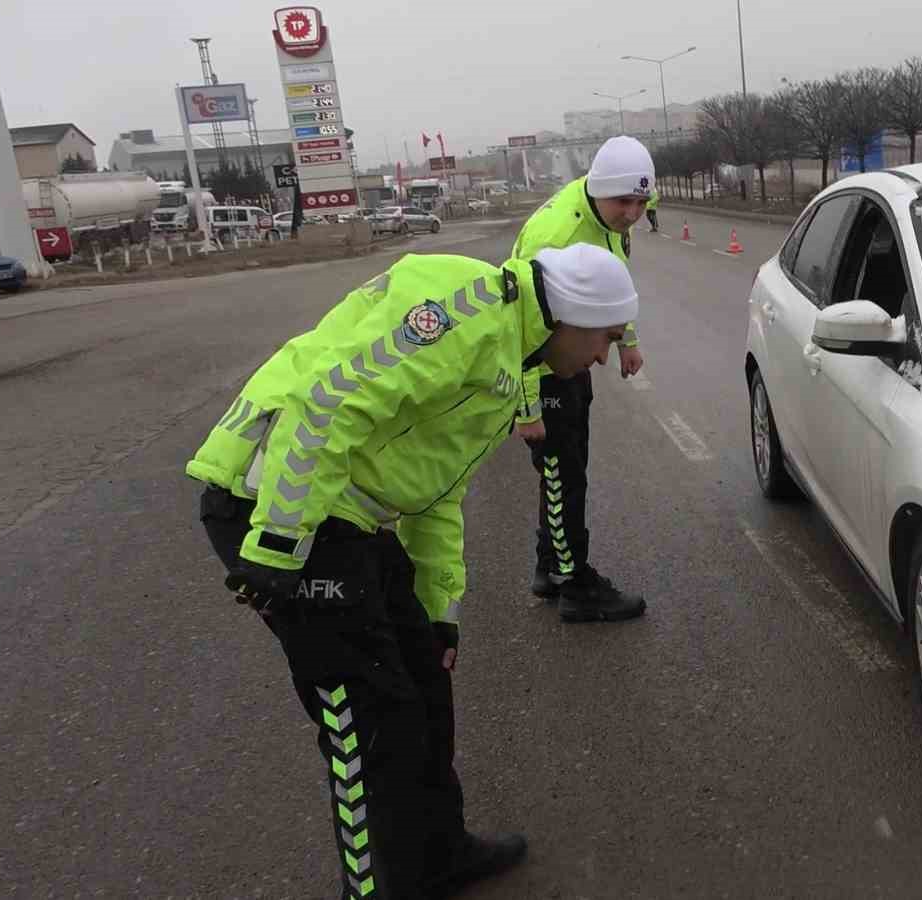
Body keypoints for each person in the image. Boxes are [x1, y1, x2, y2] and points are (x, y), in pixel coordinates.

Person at [188, 244, 637, 899]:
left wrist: (438, 611)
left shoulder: (511, 352)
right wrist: (278, 545)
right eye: (605, 337)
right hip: (275, 501)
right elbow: (330, 400)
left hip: (344, 508)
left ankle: (435, 854)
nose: (603, 356)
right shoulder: (472, 314)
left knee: (424, 686)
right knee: (366, 719)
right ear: (570, 318)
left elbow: (437, 487)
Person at [513, 135, 651, 623]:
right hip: (543, 363)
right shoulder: (555, 235)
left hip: (570, 354)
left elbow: (614, 280)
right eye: (624, 202)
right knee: (561, 474)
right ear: (598, 191)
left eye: (641, 202)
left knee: (567, 470)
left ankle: (549, 567)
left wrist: (625, 338)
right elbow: (521, 326)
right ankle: (574, 585)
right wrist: (527, 407)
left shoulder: (604, 215)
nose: (633, 213)